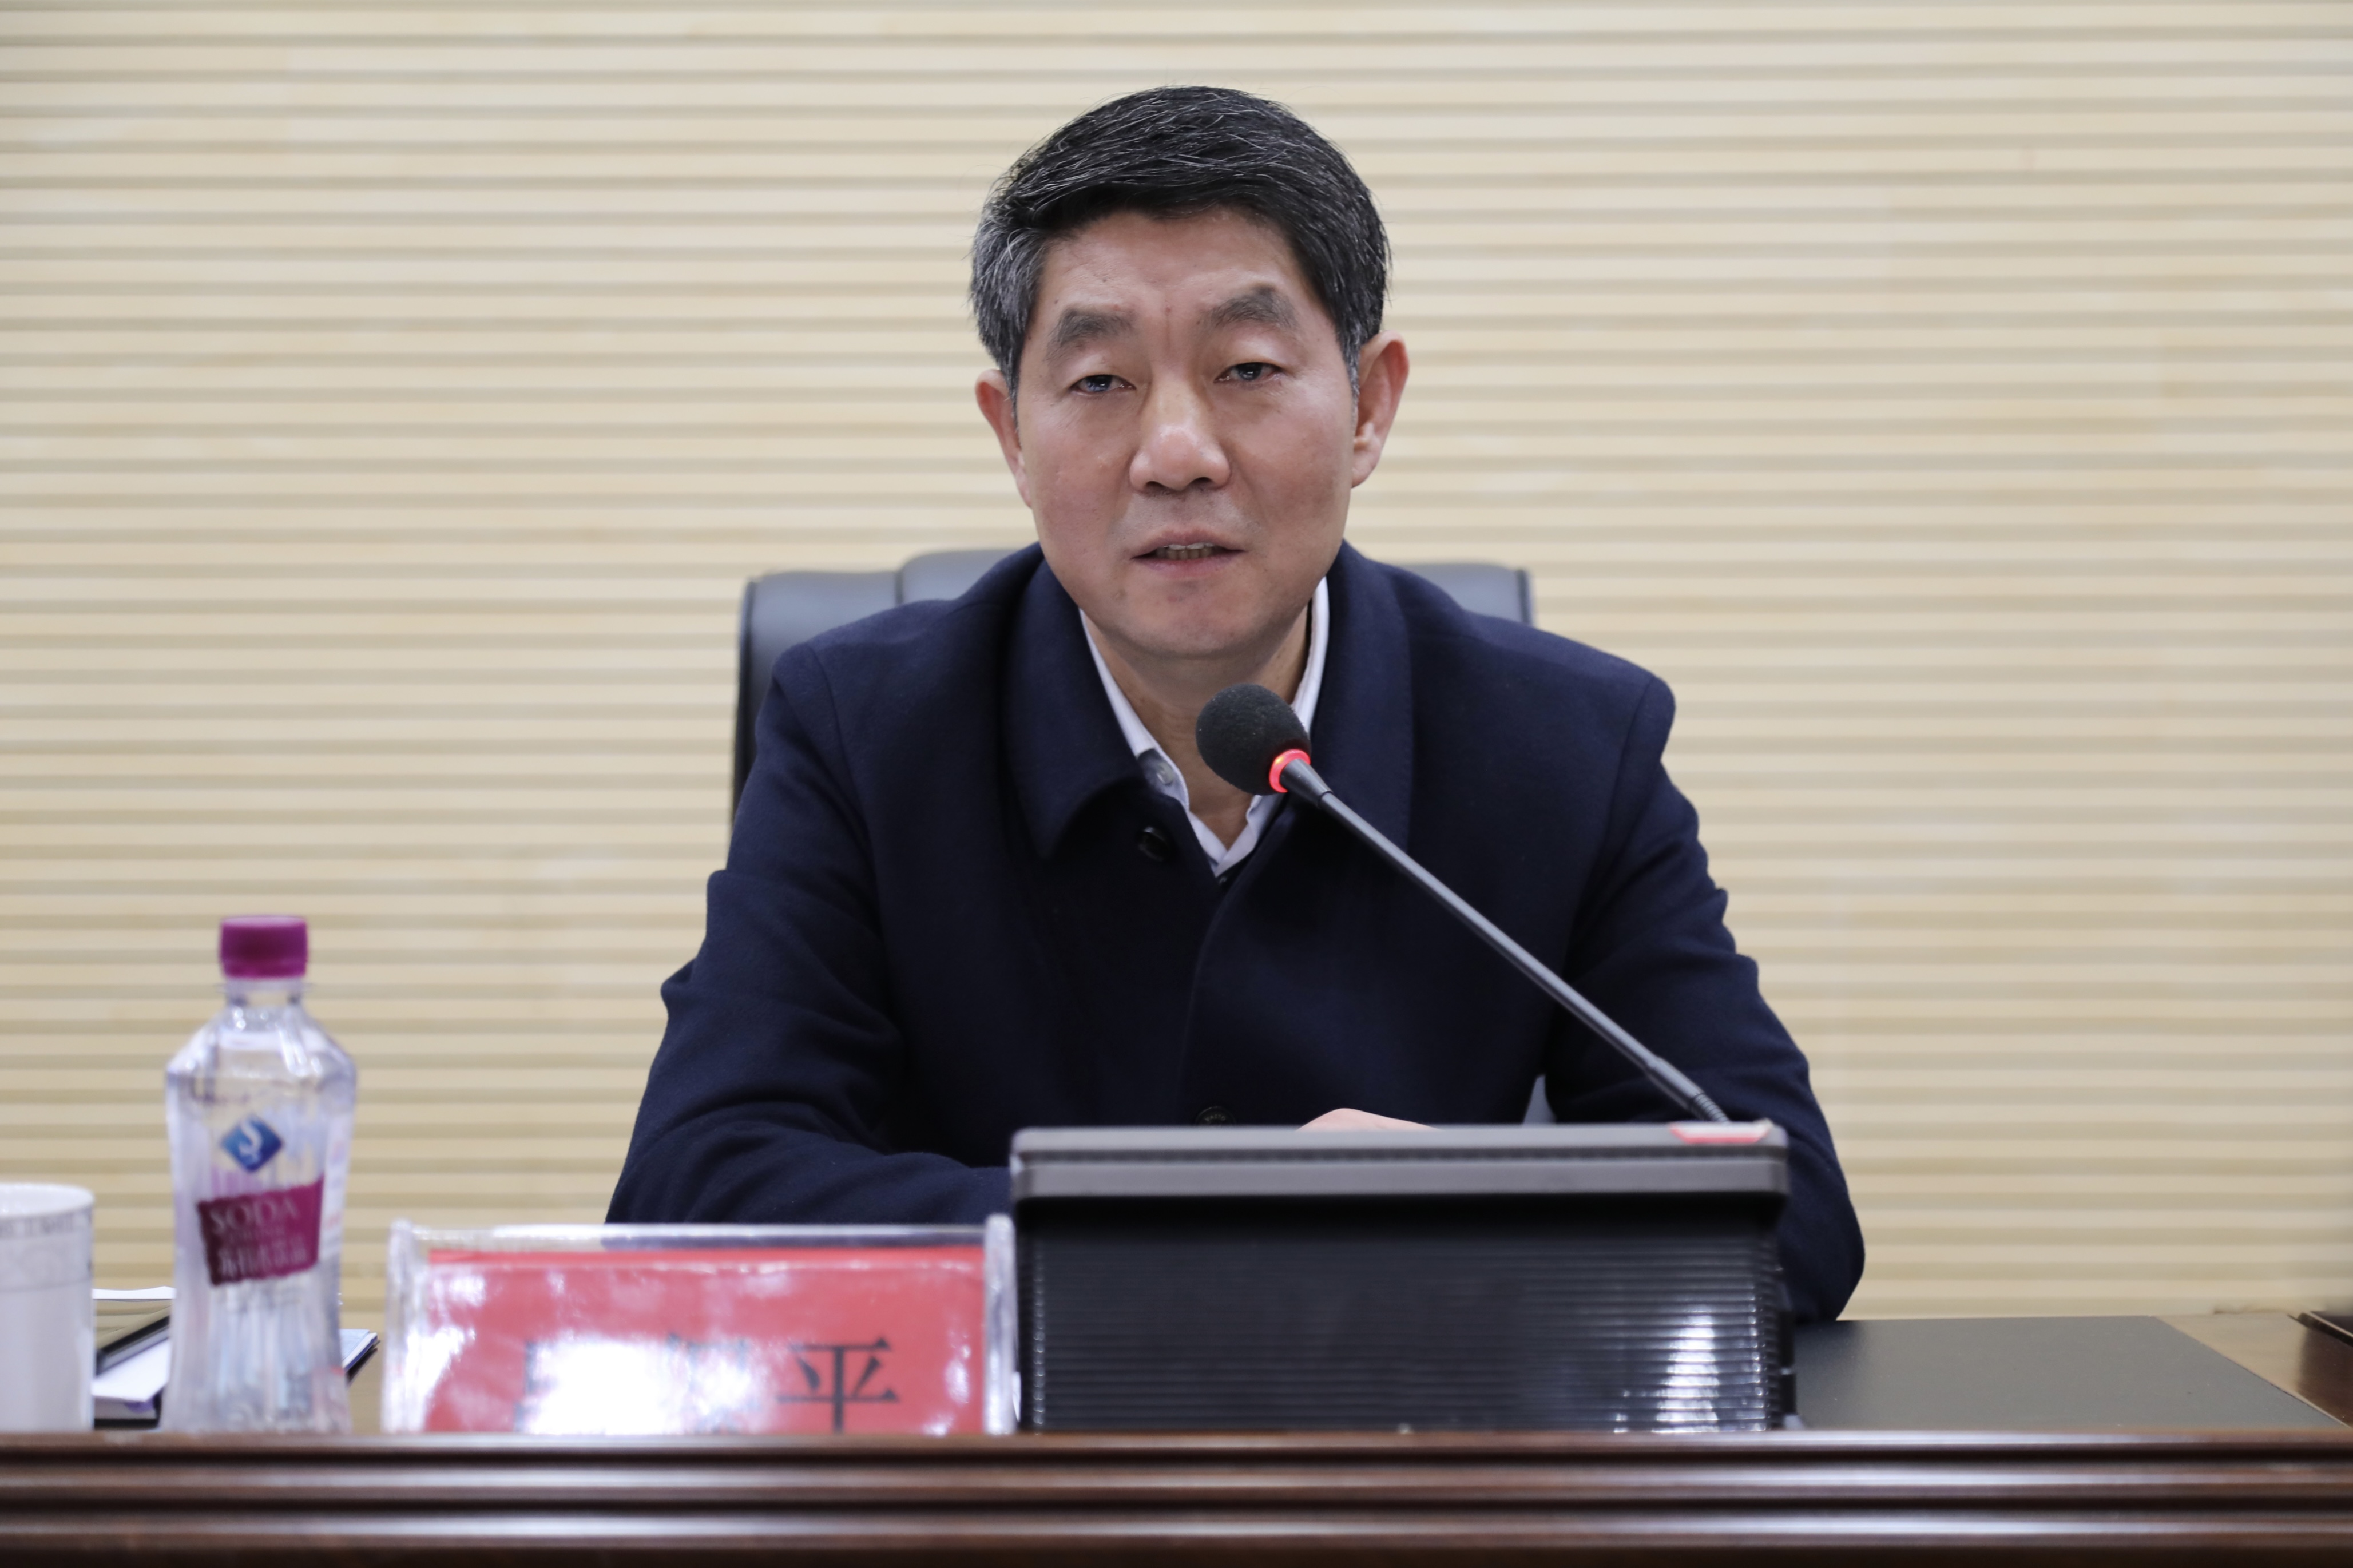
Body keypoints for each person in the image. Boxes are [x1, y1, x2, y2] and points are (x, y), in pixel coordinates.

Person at [609, 86, 1864, 1320]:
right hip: (1010, 1449)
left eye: (1248, 367)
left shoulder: (1564, 745)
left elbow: (1791, 1215)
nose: (1177, 453)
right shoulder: (863, 729)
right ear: (1011, 436)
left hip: (1401, 1442)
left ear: (1369, 406)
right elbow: (692, 1193)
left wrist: (1462, 1214)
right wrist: (1214, 1223)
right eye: (1099, 381)